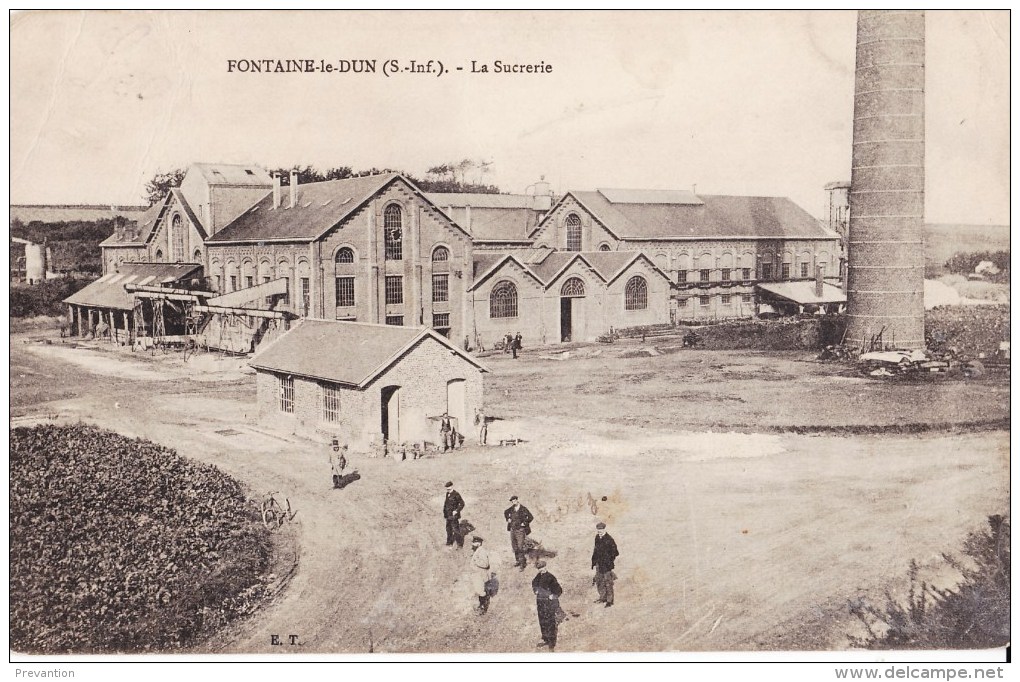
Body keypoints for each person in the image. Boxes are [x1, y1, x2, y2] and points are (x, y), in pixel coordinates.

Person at [532, 560, 562, 651]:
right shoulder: (538, 576)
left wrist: (553, 595)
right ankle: (545, 638)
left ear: (545, 567)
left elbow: (559, 589)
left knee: (550, 622)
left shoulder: (551, 577)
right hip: (540, 602)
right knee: (542, 621)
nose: (541, 570)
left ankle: (552, 643)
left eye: (542, 567)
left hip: (548, 603)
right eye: (539, 568)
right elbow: (534, 583)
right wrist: (535, 590)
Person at [591, 521, 620, 607]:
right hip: (598, 564)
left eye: (601, 530)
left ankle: (609, 601)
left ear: (604, 529)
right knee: (599, 581)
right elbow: (595, 550)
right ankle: (602, 597)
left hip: (606, 565)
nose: (599, 532)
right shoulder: (597, 537)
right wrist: (594, 561)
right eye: (598, 530)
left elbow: (615, 552)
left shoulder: (609, 539)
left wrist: (609, 560)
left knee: (608, 583)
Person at [504, 495, 535, 570]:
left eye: (514, 500)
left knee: (520, 547)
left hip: (520, 530)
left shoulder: (523, 509)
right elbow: (505, 512)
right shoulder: (511, 509)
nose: (513, 502)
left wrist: (524, 523)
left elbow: (531, 517)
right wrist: (508, 518)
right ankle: (517, 560)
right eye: (512, 501)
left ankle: (522, 564)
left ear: (517, 500)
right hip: (512, 530)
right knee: (514, 546)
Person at [469, 536, 492, 615]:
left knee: (481, 591)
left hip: (481, 575)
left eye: (474, 542)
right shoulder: (478, 550)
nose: (473, 544)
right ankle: (481, 606)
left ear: (479, 543)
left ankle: (483, 608)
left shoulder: (482, 551)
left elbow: (485, 564)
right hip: (477, 574)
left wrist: (476, 560)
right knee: (479, 590)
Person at [443, 481, 465, 548]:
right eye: (447, 489)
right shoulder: (447, 494)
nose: (448, 490)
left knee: (456, 530)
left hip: (454, 516)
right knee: (448, 529)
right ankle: (449, 542)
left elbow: (462, 504)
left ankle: (460, 544)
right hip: (448, 515)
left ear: (452, 487)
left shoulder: (456, 494)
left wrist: (456, 511)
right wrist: (445, 513)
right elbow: (446, 504)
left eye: (449, 489)